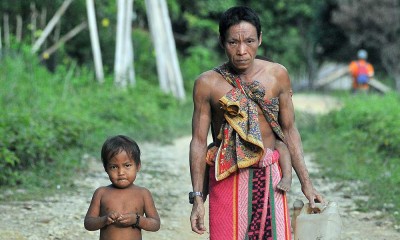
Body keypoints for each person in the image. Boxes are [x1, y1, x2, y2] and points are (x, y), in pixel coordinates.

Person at [189, 6, 324, 239]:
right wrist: (197, 199)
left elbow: (289, 131)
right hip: (226, 178)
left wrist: (307, 184)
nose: (242, 50)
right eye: (233, 42)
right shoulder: (207, 84)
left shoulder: (277, 75)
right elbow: (199, 142)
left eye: (249, 41)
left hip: (271, 179)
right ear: (222, 42)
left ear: (260, 39)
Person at [84, 135, 160, 240]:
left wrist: (136, 220)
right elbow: (88, 223)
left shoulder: (143, 194)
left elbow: (155, 224)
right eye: (114, 167)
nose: (121, 172)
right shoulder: (101, 193)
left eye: (127, 165)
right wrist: (104, 220)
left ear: (138, 166)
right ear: (106, 169)